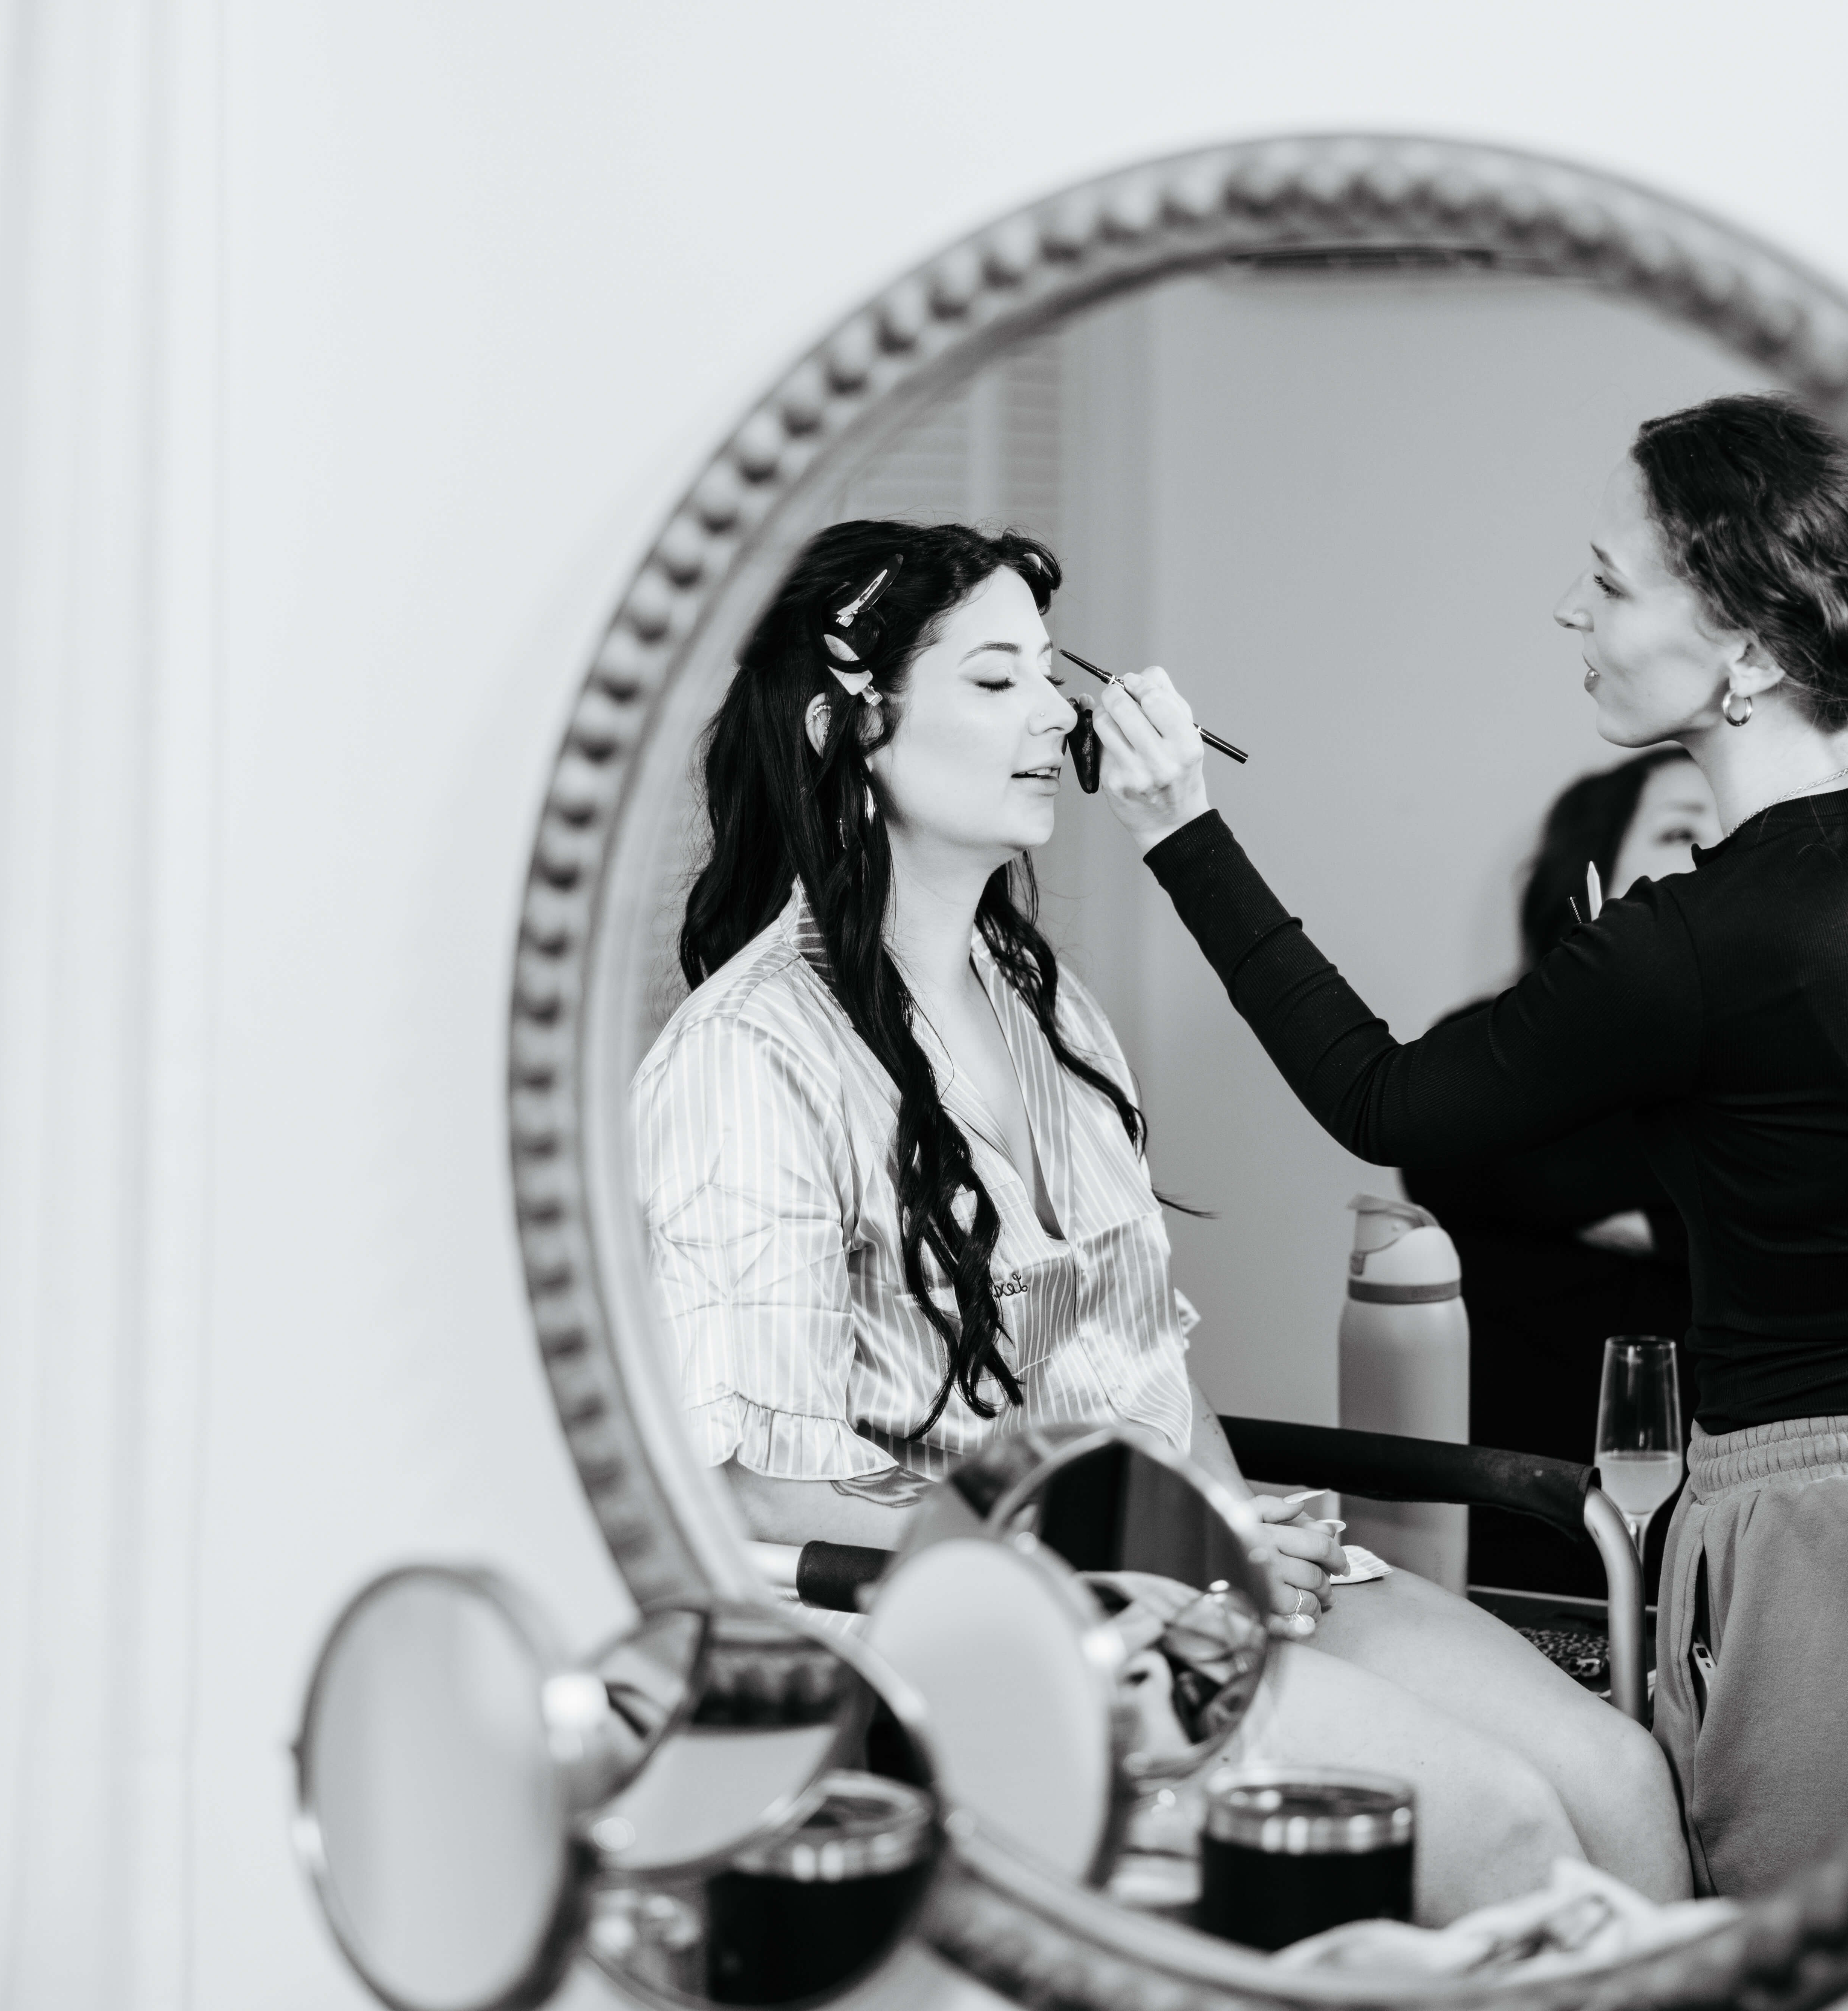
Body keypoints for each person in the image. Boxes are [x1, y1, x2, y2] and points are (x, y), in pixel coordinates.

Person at [1079, 394, 1848, 1896]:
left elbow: (1387, 1101)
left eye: (1613, 583)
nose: (1573, 606)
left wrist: (1182, 827)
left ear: (1749, 650)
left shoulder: (1695, 938)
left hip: (1831, 1545)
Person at [633, 519, 1688, 1914]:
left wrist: (1225, 1521)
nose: (1057, 712)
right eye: (995, 681)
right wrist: (1161, 1553)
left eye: (1047, 676)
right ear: (847, 726)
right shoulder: (748, 1055)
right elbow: (763, 1484)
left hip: (1174, 1568)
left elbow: (1149, 1368)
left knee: (1618, 1779)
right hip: (974, 1623)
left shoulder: (1050, 1010)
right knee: (1491, 1823)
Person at [1400, 750, 1714, 1595]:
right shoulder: (1489, 1038)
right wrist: (1680, 1221)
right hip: (1527, 1517)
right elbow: (1451, 1163)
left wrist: (1635, 1211)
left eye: (1733, 829)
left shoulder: (1771, 1062)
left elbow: (1809, 1223)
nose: (1715, 849)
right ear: (1594, 868)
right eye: (1683, 828)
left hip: (1724, 1526)